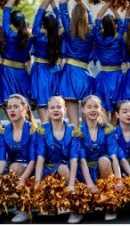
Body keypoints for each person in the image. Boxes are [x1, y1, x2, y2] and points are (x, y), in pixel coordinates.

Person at [35, 95, 85, 223]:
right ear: (47, 111)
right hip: (48, 170)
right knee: (49, 171)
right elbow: (40, 158)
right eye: (52, 107)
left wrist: (72, 184)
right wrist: (37, 182)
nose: (56, 110)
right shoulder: (42, 130)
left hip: (69, 170)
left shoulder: (73, 130)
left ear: (65, 110)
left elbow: (74, 158)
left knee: (62, 168)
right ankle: (52, 203)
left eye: (59, 107)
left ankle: (75, 208)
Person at [0, 94, 40, 223]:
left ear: (24, 109)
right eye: (9, 108)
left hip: (33, 169)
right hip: (13, 168)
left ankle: (24, 209)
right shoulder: (4, 130)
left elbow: (33, 159)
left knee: (15, 167)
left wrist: (24, 177)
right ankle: (3, 204)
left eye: (15, 107)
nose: (11, 110)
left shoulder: (33, 129)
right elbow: (1, 158)